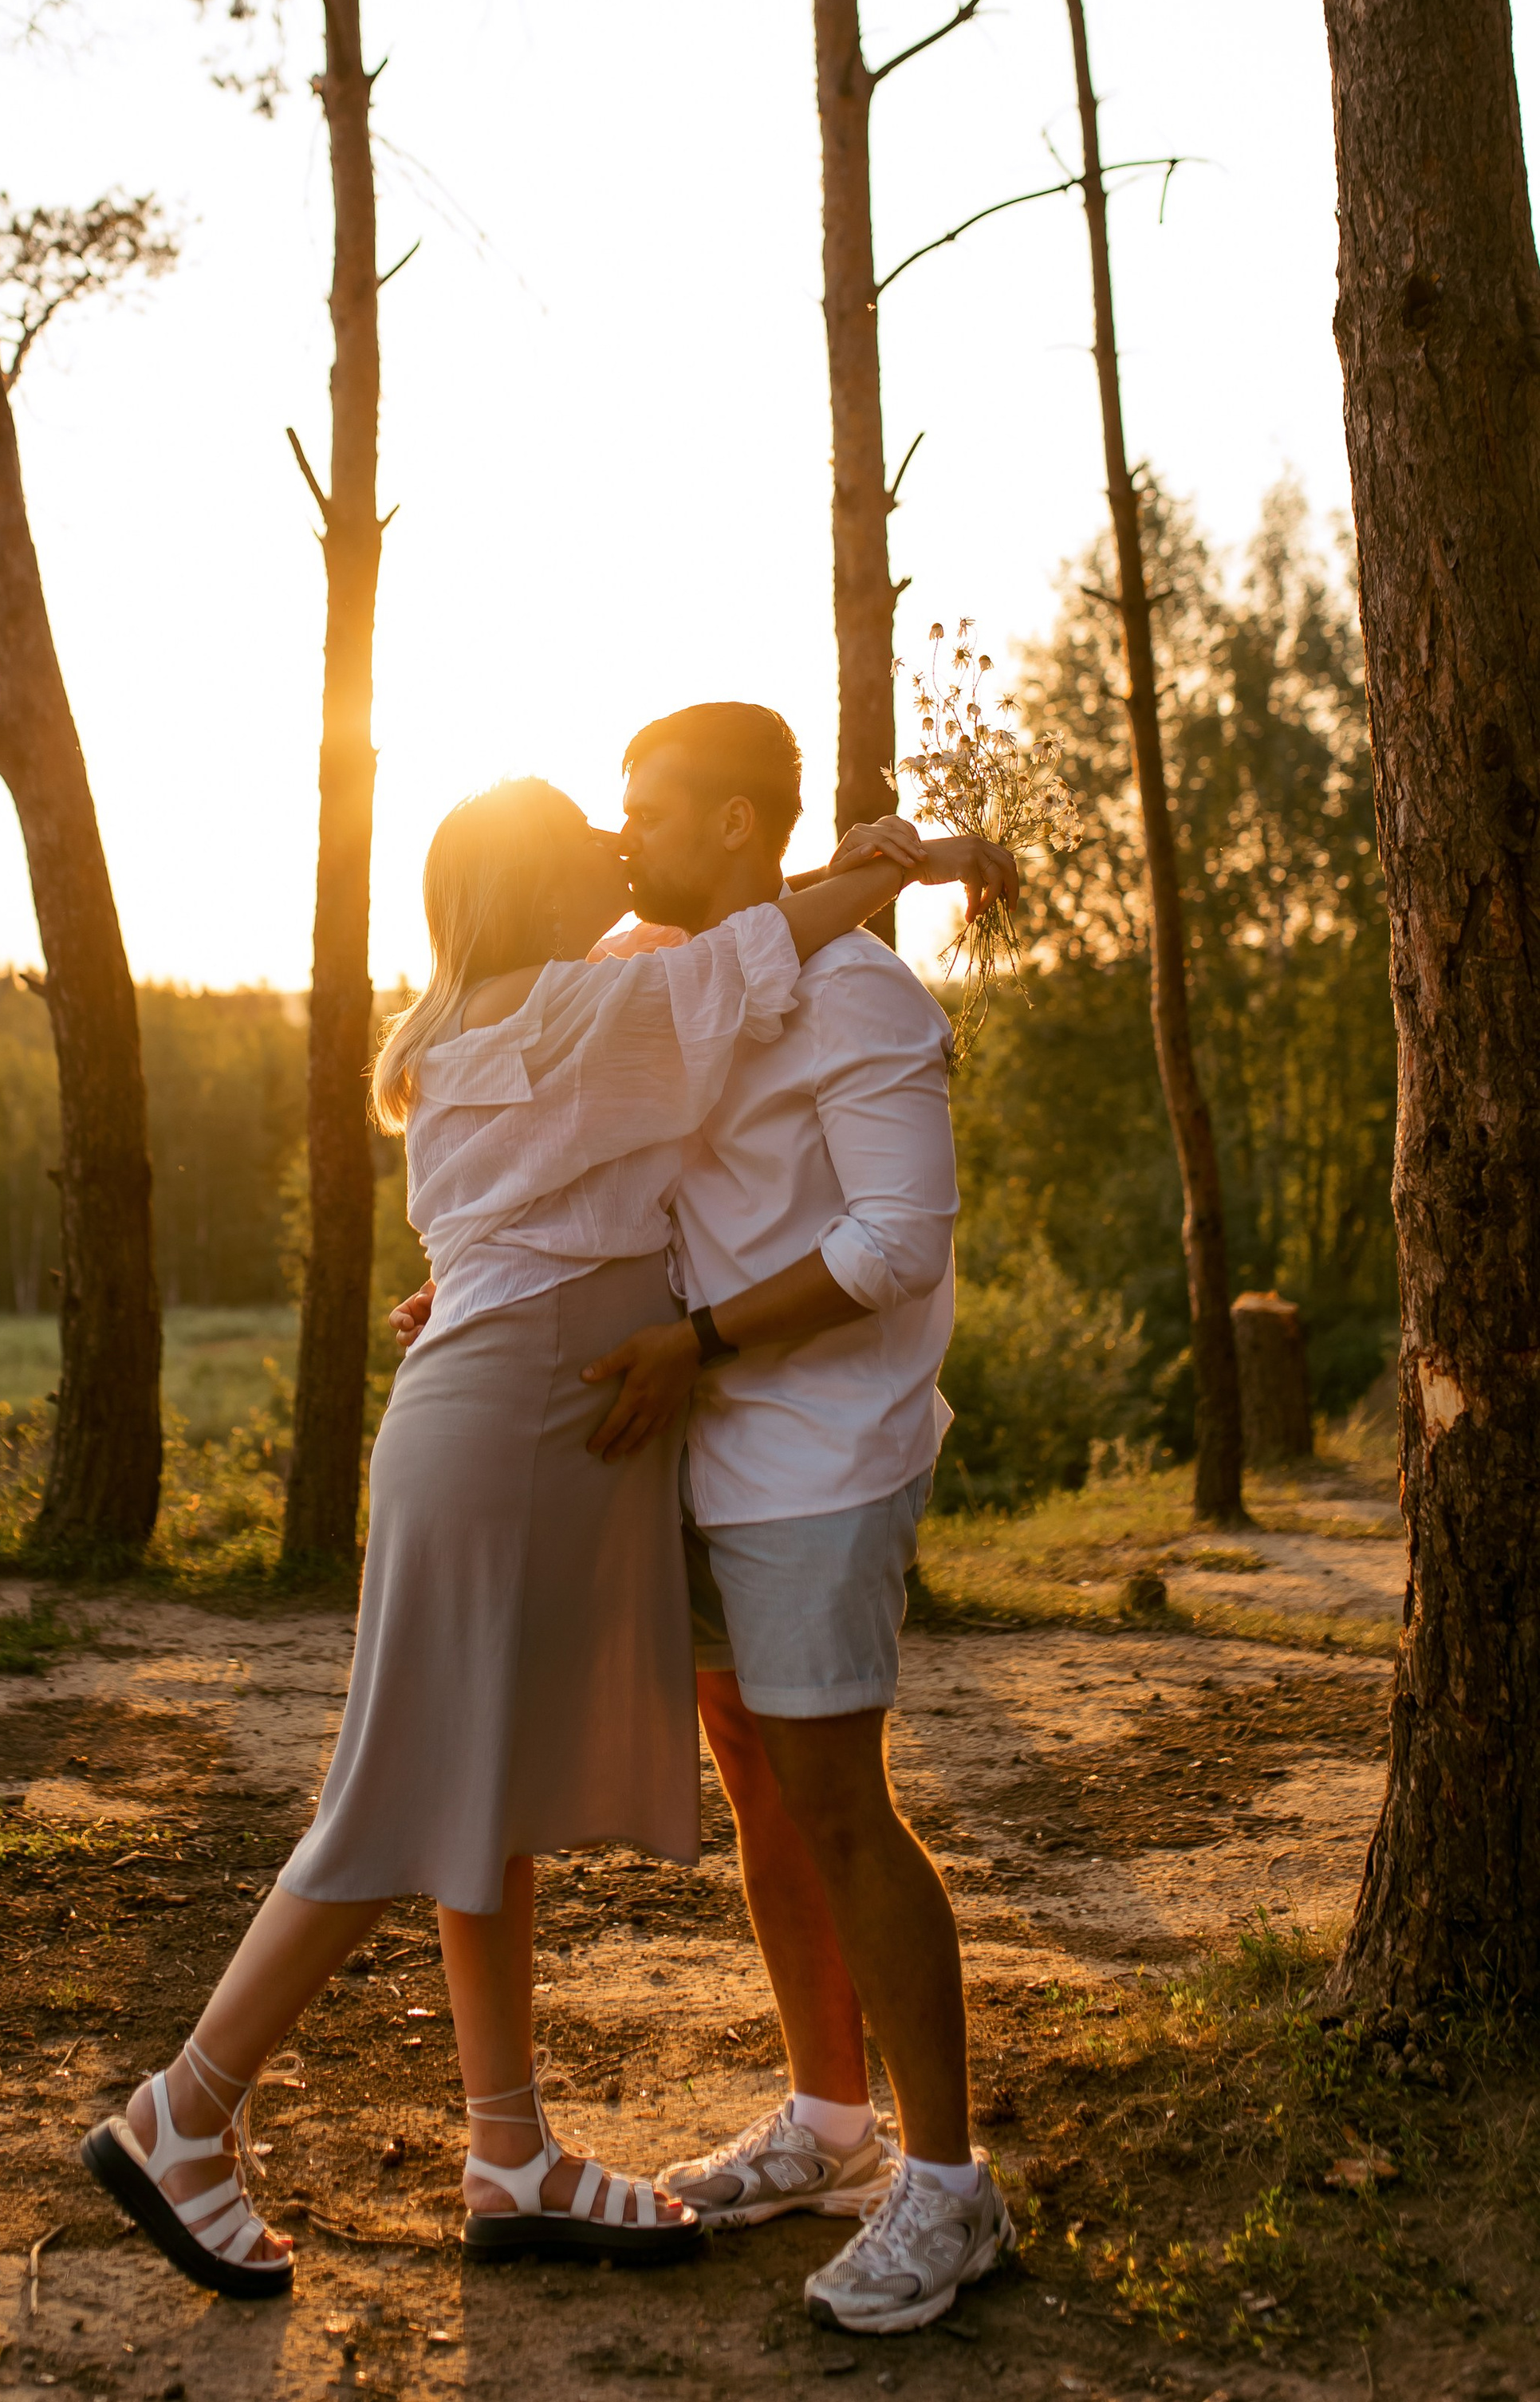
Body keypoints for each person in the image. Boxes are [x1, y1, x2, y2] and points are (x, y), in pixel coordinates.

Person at [80, 774, 997, 2301]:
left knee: (476, 1778)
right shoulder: (584, 1014)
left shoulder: (507, 1013)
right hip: (511, 1429)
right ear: (529, 882)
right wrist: (914, 855)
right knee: (398, 1793)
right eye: (588, 831)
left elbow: (581, 1163)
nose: (616, 843)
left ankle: (510, 2149)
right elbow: (783, 932)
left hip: (507, 1409)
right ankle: (182, 2115)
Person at [395, 703, 1016, 2340]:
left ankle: (949, 2189)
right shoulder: (680, 958)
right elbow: (611, 1162)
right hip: (692, 1445)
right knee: (757, 1782)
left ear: (741, 825)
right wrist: (476, 1292)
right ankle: (826, 2122)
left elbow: (893, 1243)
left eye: (653, 812)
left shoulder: (860, 999)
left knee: (835, 1798)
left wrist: (699, 1341)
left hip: (818, 1445)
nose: (623, 841)